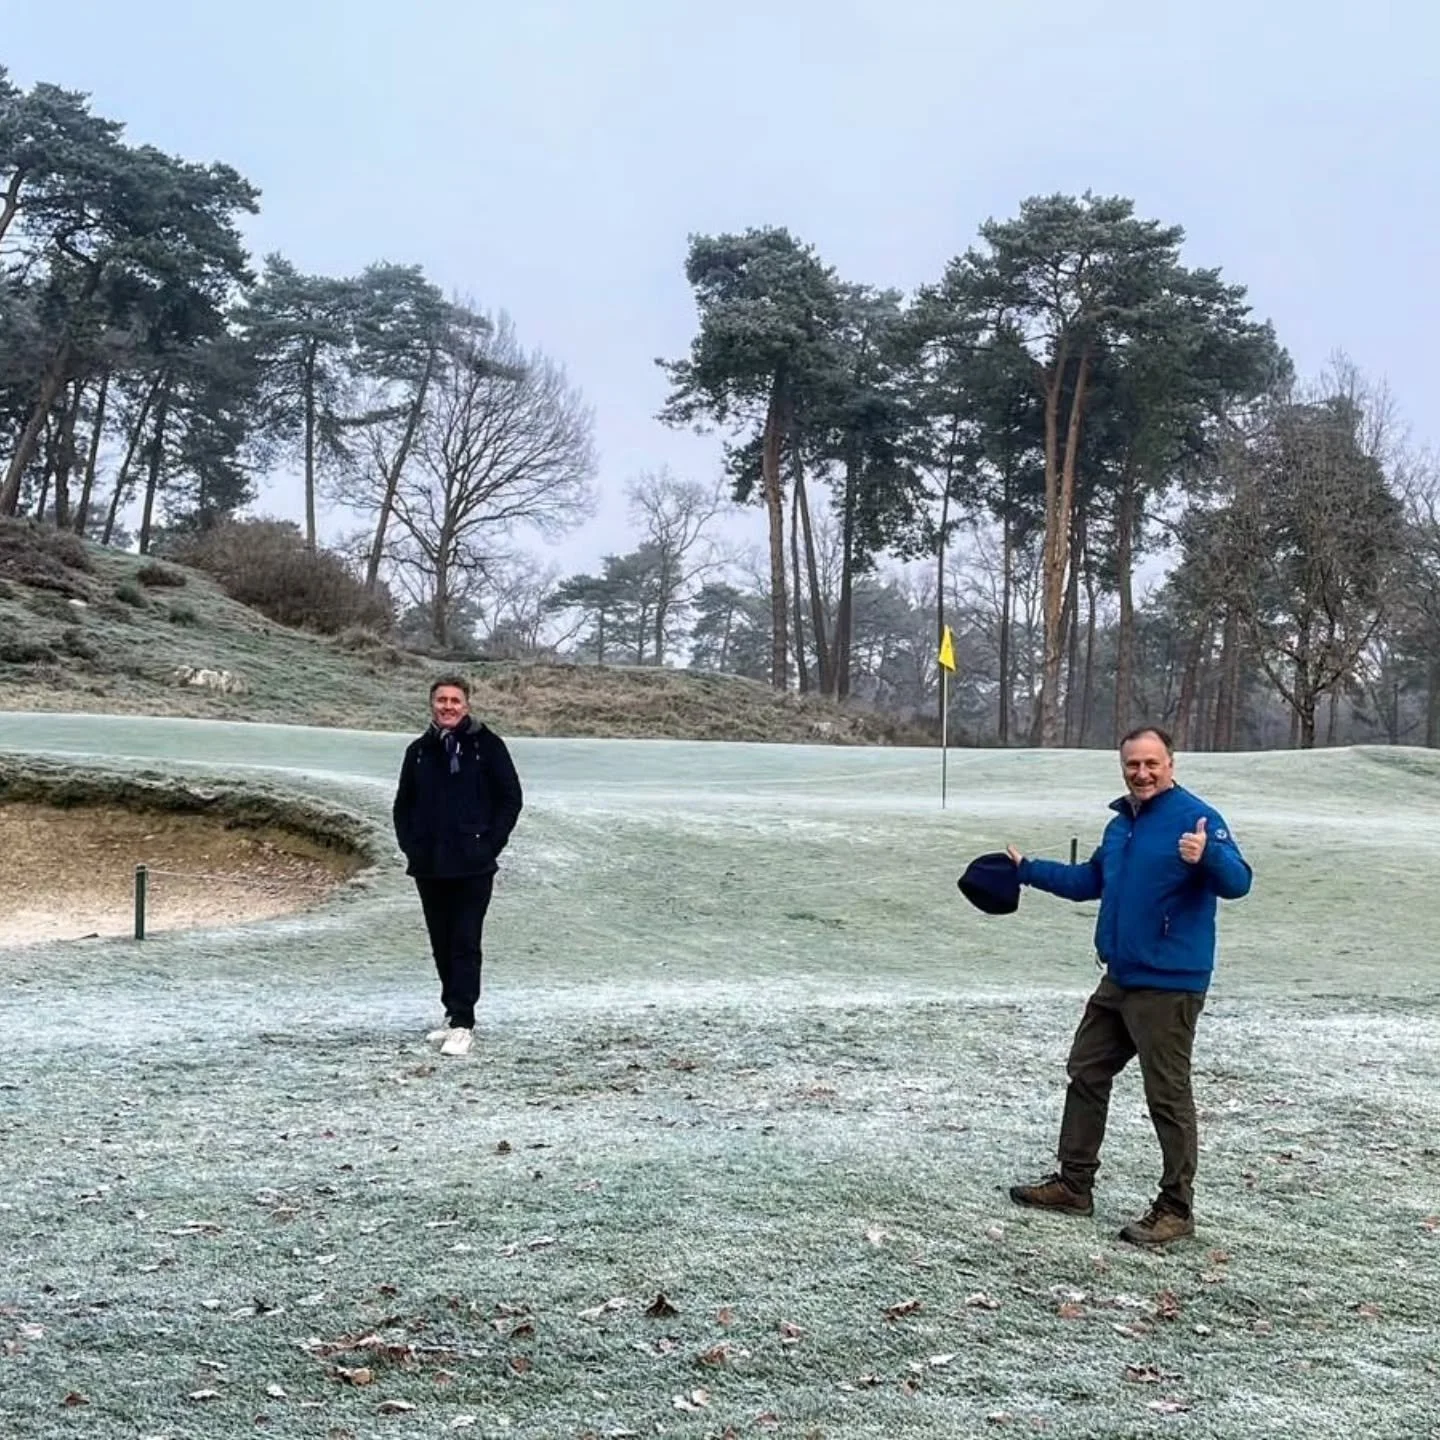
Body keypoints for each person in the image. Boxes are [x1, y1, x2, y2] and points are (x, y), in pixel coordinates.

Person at [1005, 725, 1252, 1245]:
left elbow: (1238, 882)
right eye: (1132, 765)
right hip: (1120, 976)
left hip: (1169, 984)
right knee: (1086, 1070)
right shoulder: (1121, 826)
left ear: (1170, 765)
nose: (1141, 773)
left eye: (1151, 764)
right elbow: (1088, 881)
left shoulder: (1196, 818)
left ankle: (1176, 1209)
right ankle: (1074, 1185)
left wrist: (1205, 855)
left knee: (1167, 1094)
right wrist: (1026, 870)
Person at [392, 675, 523, 1058]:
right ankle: (452, 1013)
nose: (448, 706)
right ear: (432, 704)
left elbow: (510, 799)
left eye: (455, 700)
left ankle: (464, 1022)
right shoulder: (418, 751)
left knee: (465, 941)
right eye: (441, 700)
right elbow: (404, 806)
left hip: (473, 866)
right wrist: (412, 846)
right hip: (430, 865)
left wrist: (488, 844)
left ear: (466, 705)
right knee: (442, 943)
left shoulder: (488, 746)